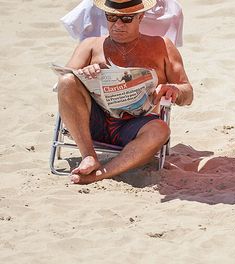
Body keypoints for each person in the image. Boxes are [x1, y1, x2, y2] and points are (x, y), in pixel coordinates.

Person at [57, 0, 193, 184]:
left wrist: (174, 90)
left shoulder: (162, 46)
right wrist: (83, 74)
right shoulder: (90, 45)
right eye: (112, 17)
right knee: (67, 81)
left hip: (136, 127)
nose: (118, 25)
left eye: (126, 19)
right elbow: (64, 84)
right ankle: (89, 155)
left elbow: (188, 93)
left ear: (141, 17)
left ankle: (100, 174)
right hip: (92, 122)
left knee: (161, 130)